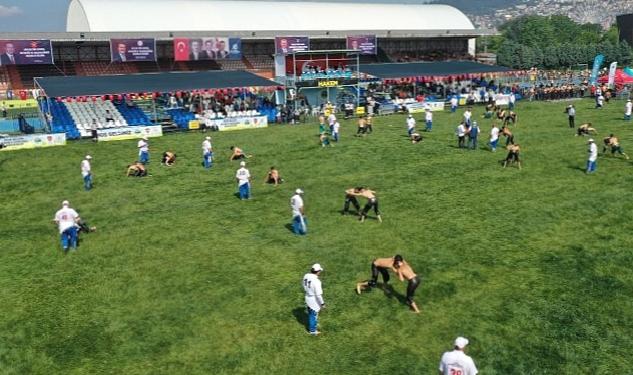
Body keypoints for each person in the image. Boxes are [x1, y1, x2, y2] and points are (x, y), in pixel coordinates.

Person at [302, 263, 325, 335]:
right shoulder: (317, 282)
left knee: (311, 312)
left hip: (307, 296)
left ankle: (315, 323)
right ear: (318, 271)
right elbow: (318, 295)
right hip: (313, 300)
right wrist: (322, 303)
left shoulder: (306, 275)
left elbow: (303, 284)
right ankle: (312, 331)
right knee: (313, 314)